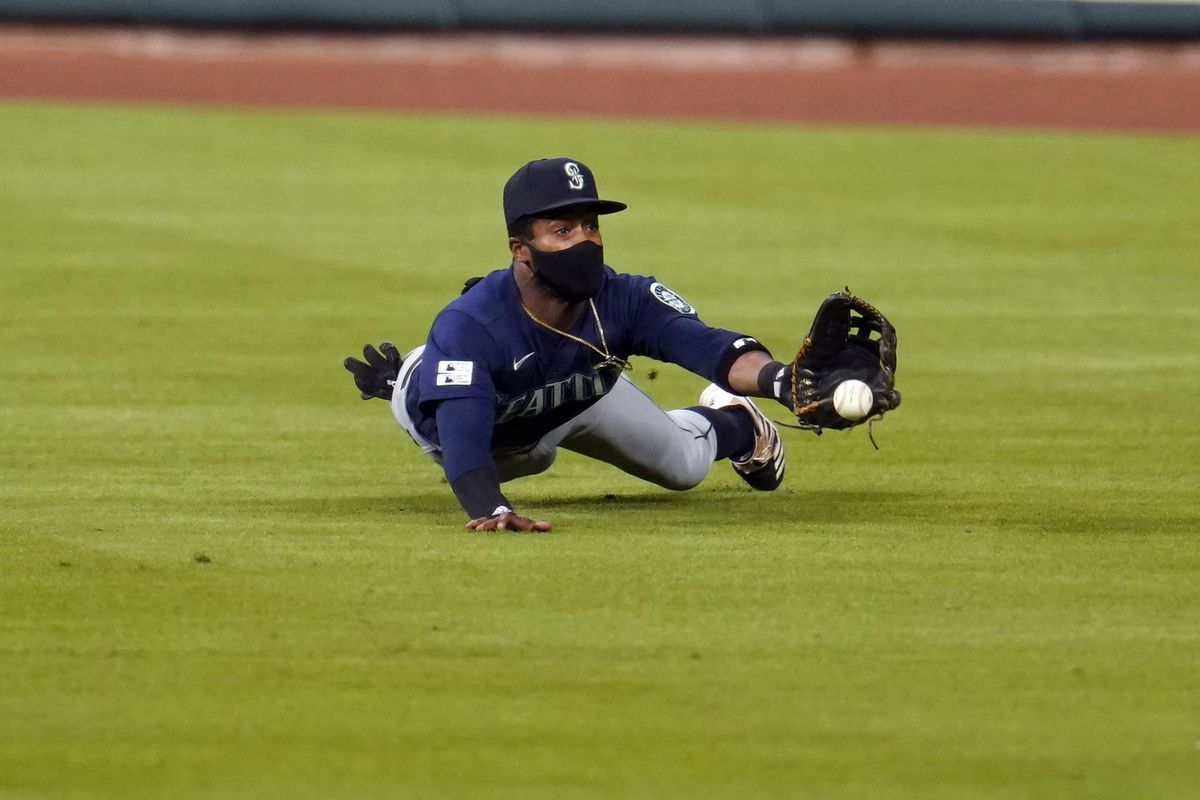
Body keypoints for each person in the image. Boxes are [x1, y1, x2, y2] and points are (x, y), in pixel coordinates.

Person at [346, 157, 798, 532]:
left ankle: (739, 422)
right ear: (520, 248)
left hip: (577, 392)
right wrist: (493, 510)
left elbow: (710, 348)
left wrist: (784, 381)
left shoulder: (622, 298)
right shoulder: (469, 327)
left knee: (682, 467)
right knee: (516, 451)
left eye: (589, 226)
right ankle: (413, 372)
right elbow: (465, 448)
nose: (584, 240)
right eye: (563, 230)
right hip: (484, 431)